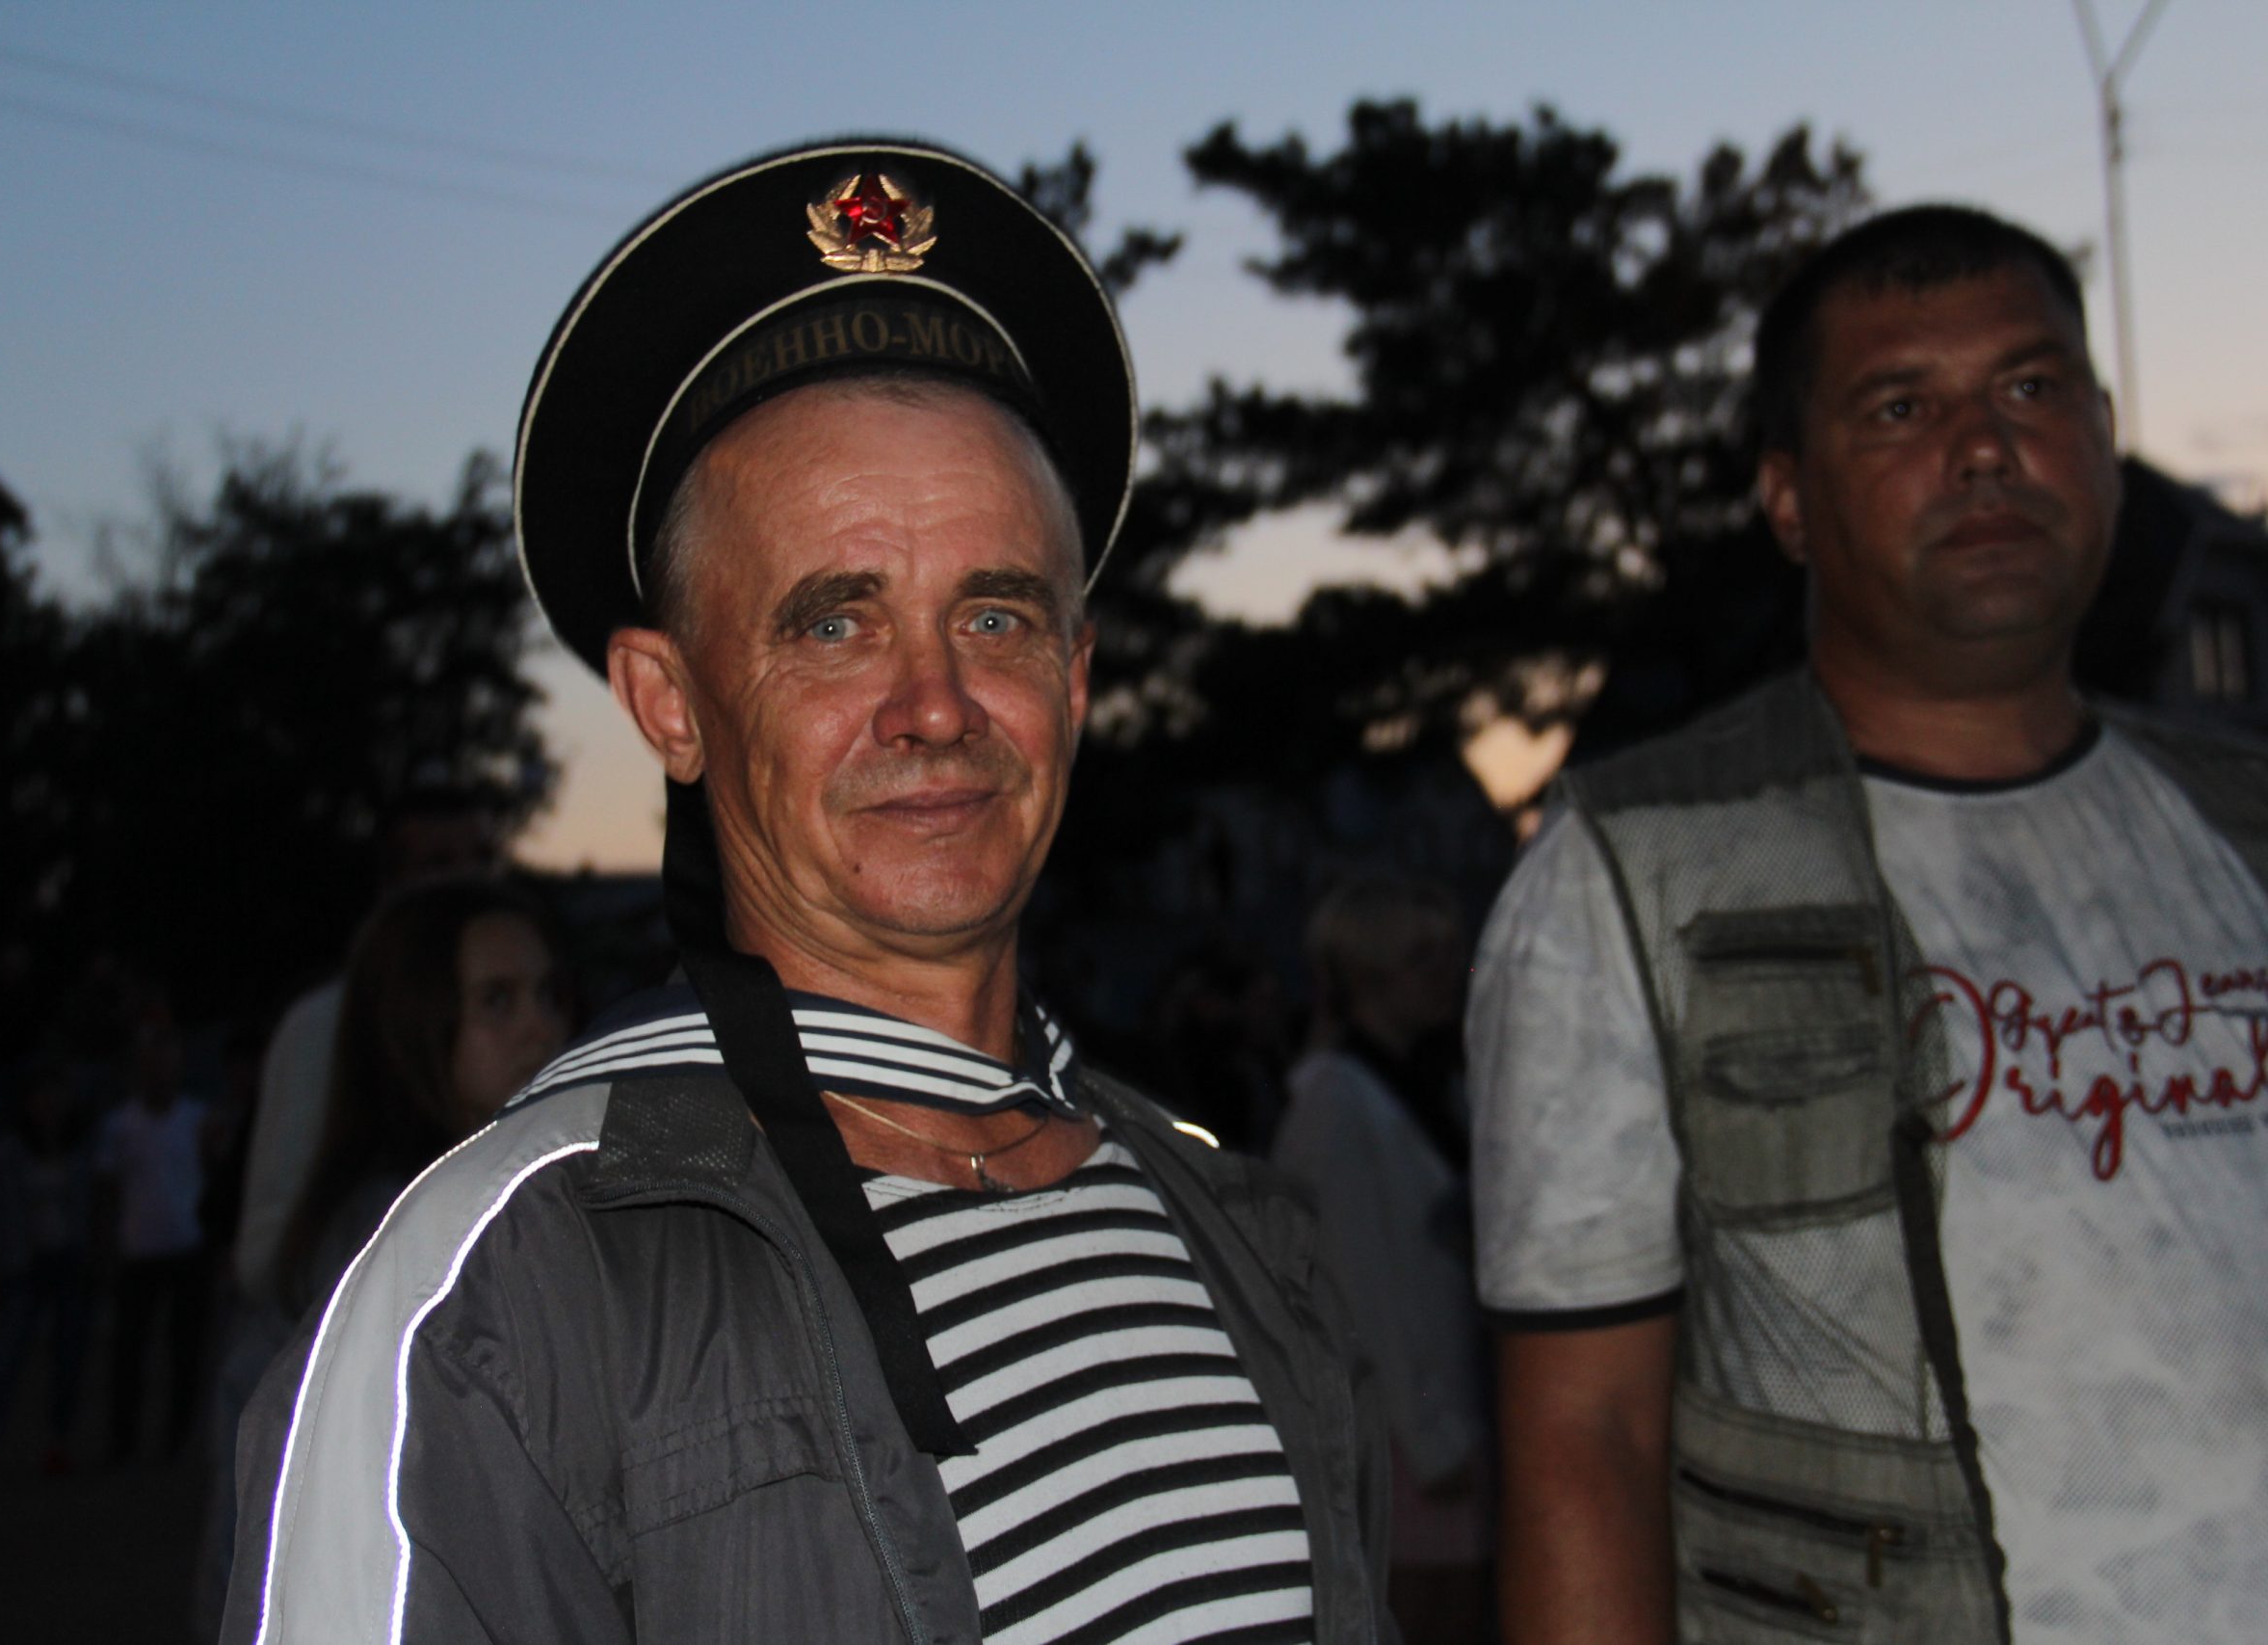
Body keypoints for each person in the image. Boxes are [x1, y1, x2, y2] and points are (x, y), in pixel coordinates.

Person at [224, 139, 1395, 1644]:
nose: (936, 703)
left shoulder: (1242, 1231)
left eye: (996, 615)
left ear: (1076, 677)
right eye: (836, 624)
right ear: (670, 703)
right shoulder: (502, 1294)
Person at [1467, 203, 2268, 1644]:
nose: (1984, 447)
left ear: (2105, 436)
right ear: (1788, 500)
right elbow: (1586, 1443)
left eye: (2030, 387)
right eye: (1902, 407)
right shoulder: (1634, 874)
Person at [194, 877, 570, 1638]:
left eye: (550, 993)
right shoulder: (391, 1245)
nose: (542, 1026)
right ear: (413, 1026)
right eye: (498, 1000)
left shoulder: (524, 1206)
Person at [1275, 872, 1491, 1641]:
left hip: (1436, 1415)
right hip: (1406, 1432)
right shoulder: (1340, 1101)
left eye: (1448, 952)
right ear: (1368, 974)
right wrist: (1433, 1439)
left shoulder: (1420, 1083)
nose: (1446, 972)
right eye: (1421, 957)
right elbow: (1365, 1287)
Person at [225, 782, 501, 1309]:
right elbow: (266, 1250)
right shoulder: (324, 1025)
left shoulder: (532, 1015)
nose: (469, 879)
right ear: (392, 884)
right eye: (441, 862)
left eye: (482, 857)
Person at [0, 1058, 96, 1485]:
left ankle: (58, 1441)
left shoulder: (78, 1149)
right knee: (7, 1357)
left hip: (67, 1261)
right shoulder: (10, 1153)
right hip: (25, 1265)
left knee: (68, 1357)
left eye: (55, 1093)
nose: (49, 1103)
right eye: (41, 1094)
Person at [96, 1008, 212, 1463]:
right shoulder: (121, 1125)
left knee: (184, 1351)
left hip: (186, 1247)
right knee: (129, 1351)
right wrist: (107, 1247)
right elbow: (107, 1191)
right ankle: (123, 1439)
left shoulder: (196, 1119)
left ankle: (175, 1438)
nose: (160, 1071)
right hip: (138, 1251)